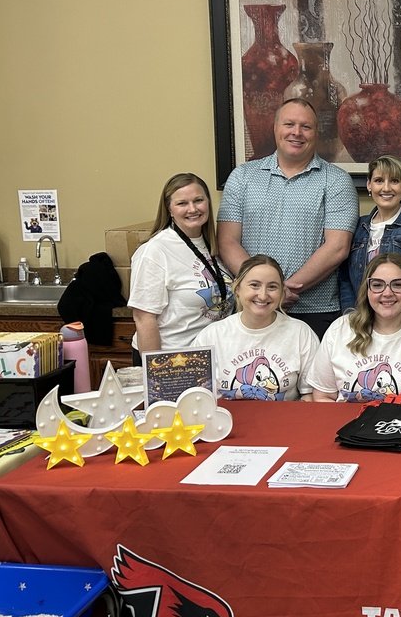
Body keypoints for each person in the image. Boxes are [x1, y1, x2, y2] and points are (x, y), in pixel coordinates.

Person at [218, 98, 358, 340]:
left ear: (316, 133)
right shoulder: (242, 177)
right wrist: (264, 290)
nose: (297, 132)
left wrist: (283, 290)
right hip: (250, 309)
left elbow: (337, 247)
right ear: (275, 128)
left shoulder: (336, 181)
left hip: (314, 310)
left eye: (306, 126)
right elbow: (228, 241)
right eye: (289, 124)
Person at [307, 253, 401, 402]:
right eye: (377, 285)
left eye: (398, 284)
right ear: (366, 290)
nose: (387, 293)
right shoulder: (340, 330)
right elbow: (323, 396)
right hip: (347, 423)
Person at [128, 172, 233, 363]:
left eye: (198, 200)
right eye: (182, 203)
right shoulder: (154, 251)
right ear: (169, 209)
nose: (192, 209)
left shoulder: (216, 245)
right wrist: (157, 370)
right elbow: (144, 319)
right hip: (172, 360)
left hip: (211, 357)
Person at [193, 254, 318, 401]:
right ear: (237, 288)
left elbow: (309, 396)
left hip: (285, 421)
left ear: (282, 292)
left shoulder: (301, 333)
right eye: (254, 285)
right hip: (227, 421)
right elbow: (197, 397)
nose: (263, 295)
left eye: (272, 287)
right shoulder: (211, 336)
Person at [339, 154, 401, 312]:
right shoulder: (358, 226)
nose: (386, 188)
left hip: (400, 318)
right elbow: (344, 279)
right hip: (359, 319)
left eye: (394, 181)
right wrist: (351, 316)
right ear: (369, 185)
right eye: (379, 181)